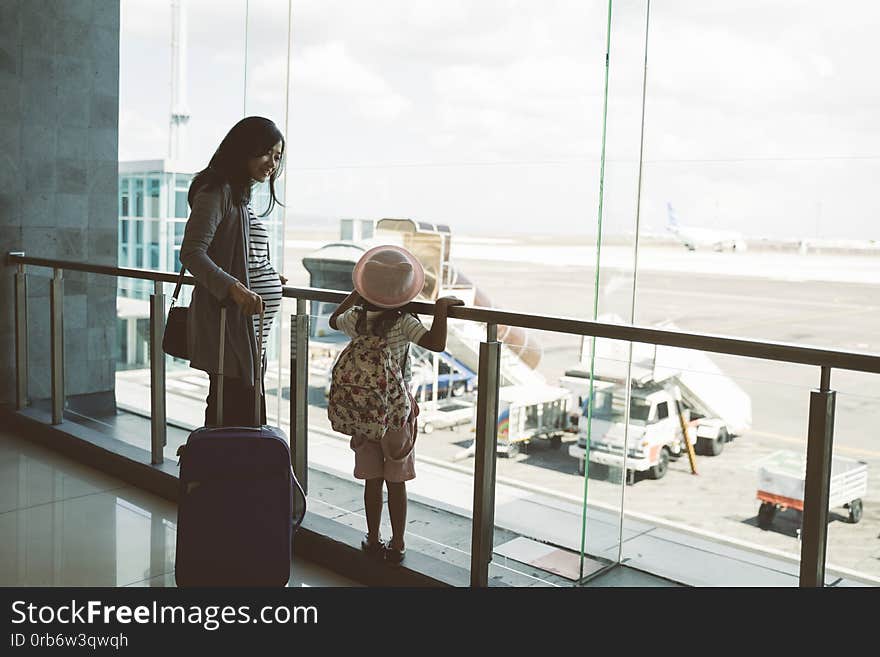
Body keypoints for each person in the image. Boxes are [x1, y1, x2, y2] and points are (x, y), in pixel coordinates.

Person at [329, 245, 464, 564]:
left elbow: (335, 319)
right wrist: (441, 307)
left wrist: (356, 294)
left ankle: (373, 539)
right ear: (404, 290)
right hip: (396, 416)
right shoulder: (403, 322)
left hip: (364, 416)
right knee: (396, 482)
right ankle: (399, 542)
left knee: (372, 482)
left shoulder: (356, 318)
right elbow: (436, 343)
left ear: (367, 287)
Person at [179, 116, 288, 426]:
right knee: (233, 419)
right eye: (266, 152)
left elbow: (235, 251)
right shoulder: (216, 190)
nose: (272, 163)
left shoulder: (239, 195)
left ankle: (222, 474)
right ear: (244, 148)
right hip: (230, 328)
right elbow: (192, 252)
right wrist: (235, 288)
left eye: (278, 156)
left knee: (239, 416)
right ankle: (213, 474)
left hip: (248, 334)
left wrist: (263, 274)